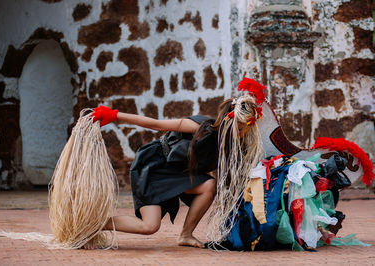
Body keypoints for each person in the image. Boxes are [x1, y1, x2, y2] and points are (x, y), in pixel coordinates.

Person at [90, 78, 266, 249]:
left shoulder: (232, 145)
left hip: (181, 174)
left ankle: (186, 234)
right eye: (241, 129)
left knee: (209, 185)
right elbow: (156, 124)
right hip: (155, 167)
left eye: (247, 130)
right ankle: (92, 226)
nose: (243, 134)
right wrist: (114, 115)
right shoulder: (201, 127)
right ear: (230, 121)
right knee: (149, 226)